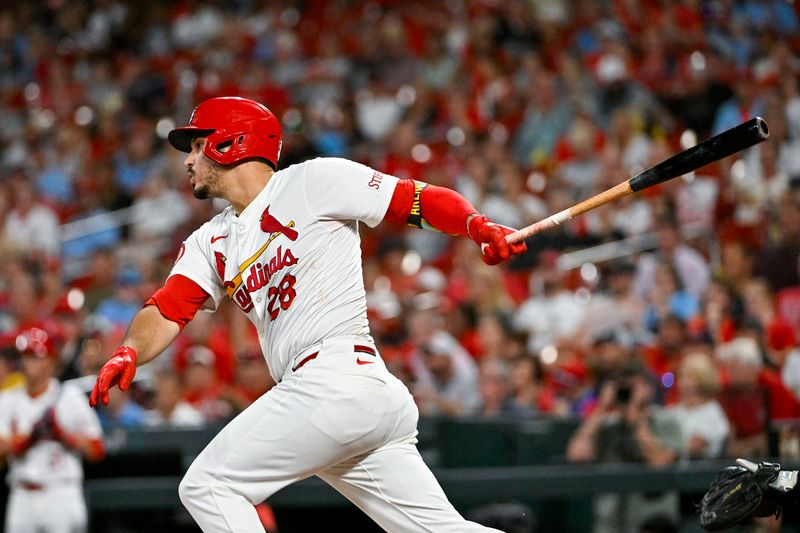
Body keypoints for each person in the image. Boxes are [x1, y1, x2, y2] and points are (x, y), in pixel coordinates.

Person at [89, 96, 526, 532]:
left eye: (197, 144)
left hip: (335, 379)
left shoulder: (313, 180)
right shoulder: (211, 240)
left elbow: (412, 199)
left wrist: (475, 224)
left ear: (230, 143)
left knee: (208, 486)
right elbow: (167, 308)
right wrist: (129, 349)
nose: (188, 161)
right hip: (345, 395)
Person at [0, 327, 105, 533]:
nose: (28, 363)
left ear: (51, 361)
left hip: (61, 493)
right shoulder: (8, 400)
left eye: (35, 357)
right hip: (22, 494)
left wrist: (63, 435)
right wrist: (26, 440)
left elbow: (97, 450)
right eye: (25, 357)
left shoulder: (69, 396)